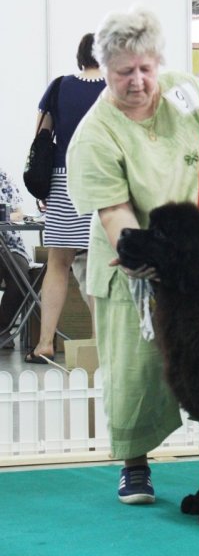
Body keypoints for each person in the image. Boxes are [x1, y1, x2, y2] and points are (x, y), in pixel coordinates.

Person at [66, 6, 199, 505]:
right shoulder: (94, 134)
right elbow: (114, 213)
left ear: (159, 62)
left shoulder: (185, 88)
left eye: (145, 68)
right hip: (142, 263)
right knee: (136, 369)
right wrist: (142, 257)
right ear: (103, 70)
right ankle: (134, 466)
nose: (138, 81)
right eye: (124, 72)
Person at [25, 33, 105, 364]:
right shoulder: (112, 90)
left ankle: (45, 344)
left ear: (80, 55)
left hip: (61, 180)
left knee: (58, 264)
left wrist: (44, 190)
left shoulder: (59, 86)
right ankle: (102, 343)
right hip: (101, 181)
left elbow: (40, 139)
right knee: (99, 265)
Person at [0, 169, 31, 349]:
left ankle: (4, 327)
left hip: (12, 245)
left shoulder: (3, 178)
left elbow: (19, 214)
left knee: (22, 279)